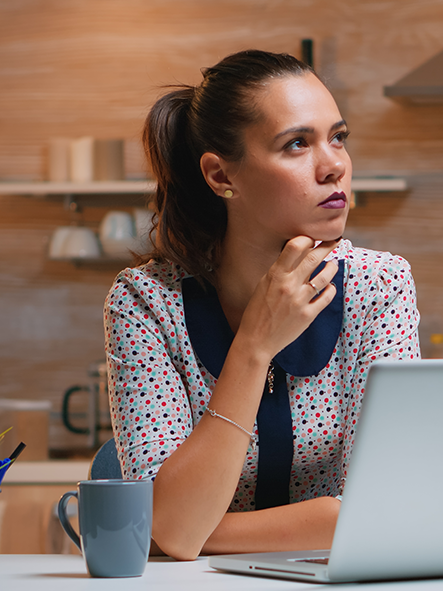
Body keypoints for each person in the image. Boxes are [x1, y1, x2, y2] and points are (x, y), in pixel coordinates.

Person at [104, 50, 420, 561]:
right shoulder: (145, 302)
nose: (334, 165)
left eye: (337, 137)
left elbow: (386, 509)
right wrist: (254, 344)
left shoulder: (379, 285)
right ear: (221, 176)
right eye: (297, 143)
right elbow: (170, 527)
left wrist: (193, 531)